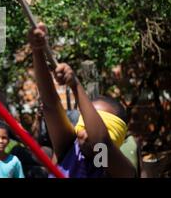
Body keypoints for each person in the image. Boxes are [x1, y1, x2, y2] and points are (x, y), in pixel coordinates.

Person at [28, 23, 136, 178]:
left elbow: (101, 142)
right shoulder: (68, 149)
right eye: (83, 124)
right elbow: (50, 105)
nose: (85, 132)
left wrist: (75, 85)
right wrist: (37, 51)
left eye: (95, 124)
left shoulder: (115, 168)